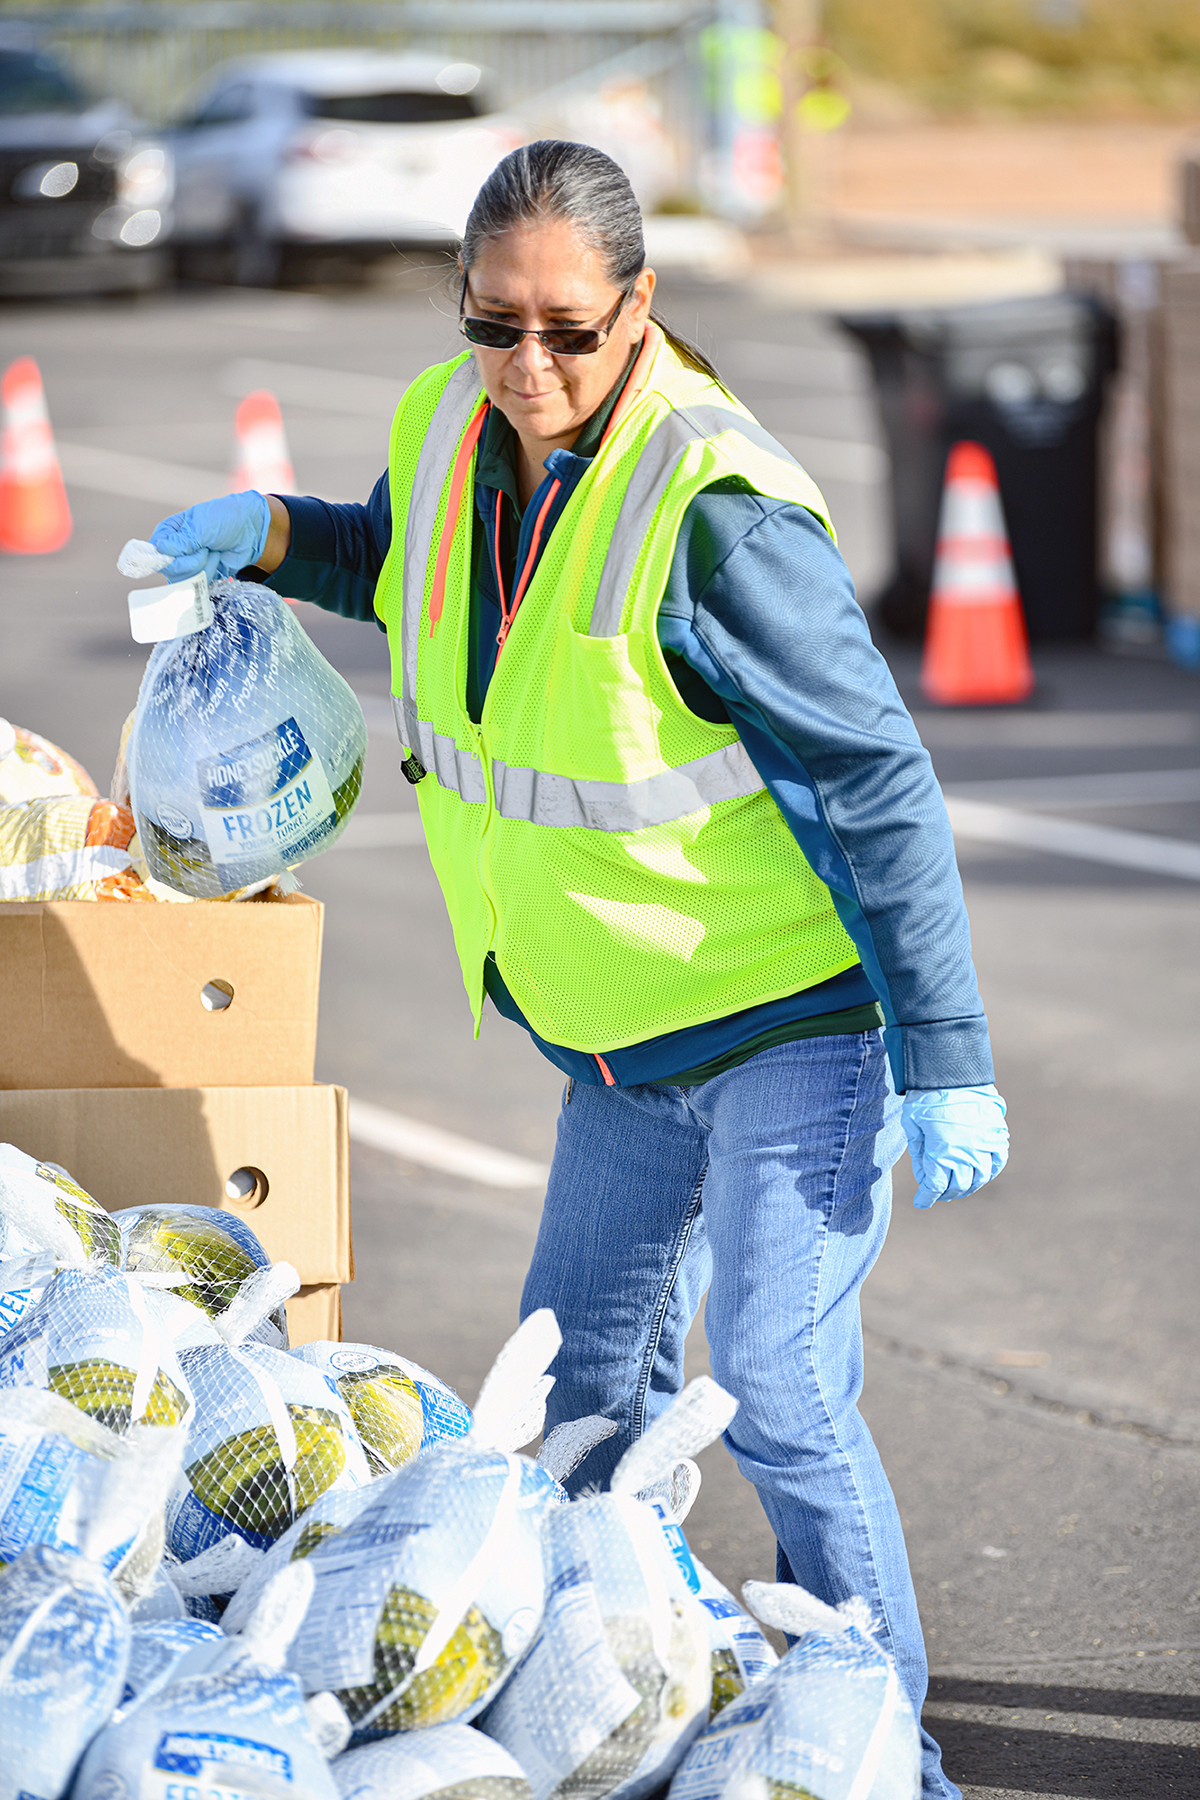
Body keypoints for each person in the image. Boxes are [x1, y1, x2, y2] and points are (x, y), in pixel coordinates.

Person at [144, 140, 1007, 1799]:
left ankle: (875, 1738)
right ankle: (625, 1704)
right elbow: (403, 568)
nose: (529, 368)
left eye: (568, 330)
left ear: (642, 310)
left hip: (791, 1031)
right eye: (494, 323)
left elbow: (877, 780)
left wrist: (944, 1047)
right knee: (585, 1404)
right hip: (614, 1045)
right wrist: (269, 533)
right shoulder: (455, 421)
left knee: (776, 1387)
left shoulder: (719, 519)